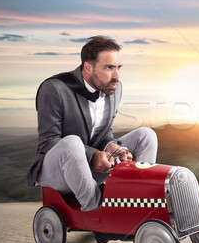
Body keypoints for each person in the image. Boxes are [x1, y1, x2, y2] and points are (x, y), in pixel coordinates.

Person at [27, 35, 158, 211]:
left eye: (119, 68)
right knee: (72, 142)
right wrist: (93, 155)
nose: (116, 76)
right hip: (57, 169)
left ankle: (136, 203)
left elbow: (104, 133)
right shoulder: (53, 89)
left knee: (146, 135)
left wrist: (111, 146)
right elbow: (49, 142)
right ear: (88, 67)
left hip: (92, 167)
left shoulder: (114, 88)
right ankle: (96, 211)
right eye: (109, 68)